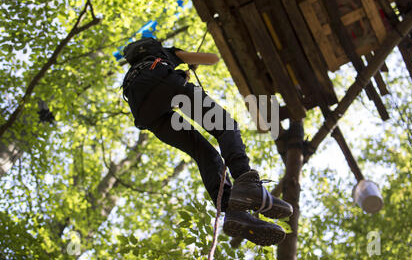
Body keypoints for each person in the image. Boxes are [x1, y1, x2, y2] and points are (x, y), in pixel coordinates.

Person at [121, 37, 293, 246]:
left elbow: (157, 94)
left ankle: (233, 210)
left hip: (145, 112)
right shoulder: (165, 52)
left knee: (204, 153)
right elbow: (212, 58)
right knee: (225, 126)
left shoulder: (133, 73)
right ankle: (246, 182)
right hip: (165, 82)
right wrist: (188, 61)